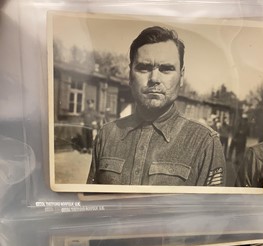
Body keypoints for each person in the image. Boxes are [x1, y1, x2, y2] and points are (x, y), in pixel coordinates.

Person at [87, 26, 226, 186]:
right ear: (130, 75)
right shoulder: (107, 135)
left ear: (181, 77)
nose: (154, 78)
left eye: (166, 69)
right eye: (144, 68)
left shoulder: (205, 143)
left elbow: (210, 210)